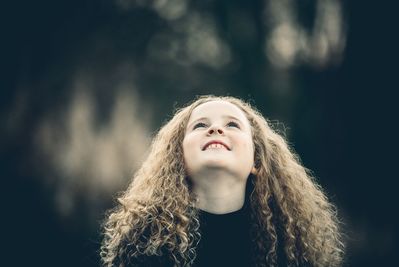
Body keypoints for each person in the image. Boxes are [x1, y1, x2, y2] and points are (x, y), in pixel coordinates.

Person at [100, 95, 345, 267]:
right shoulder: (146, 242)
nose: (216, 129)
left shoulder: (290, 248)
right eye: (200, 125)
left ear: (256, 162)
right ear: (179, 158)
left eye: (232, 124)